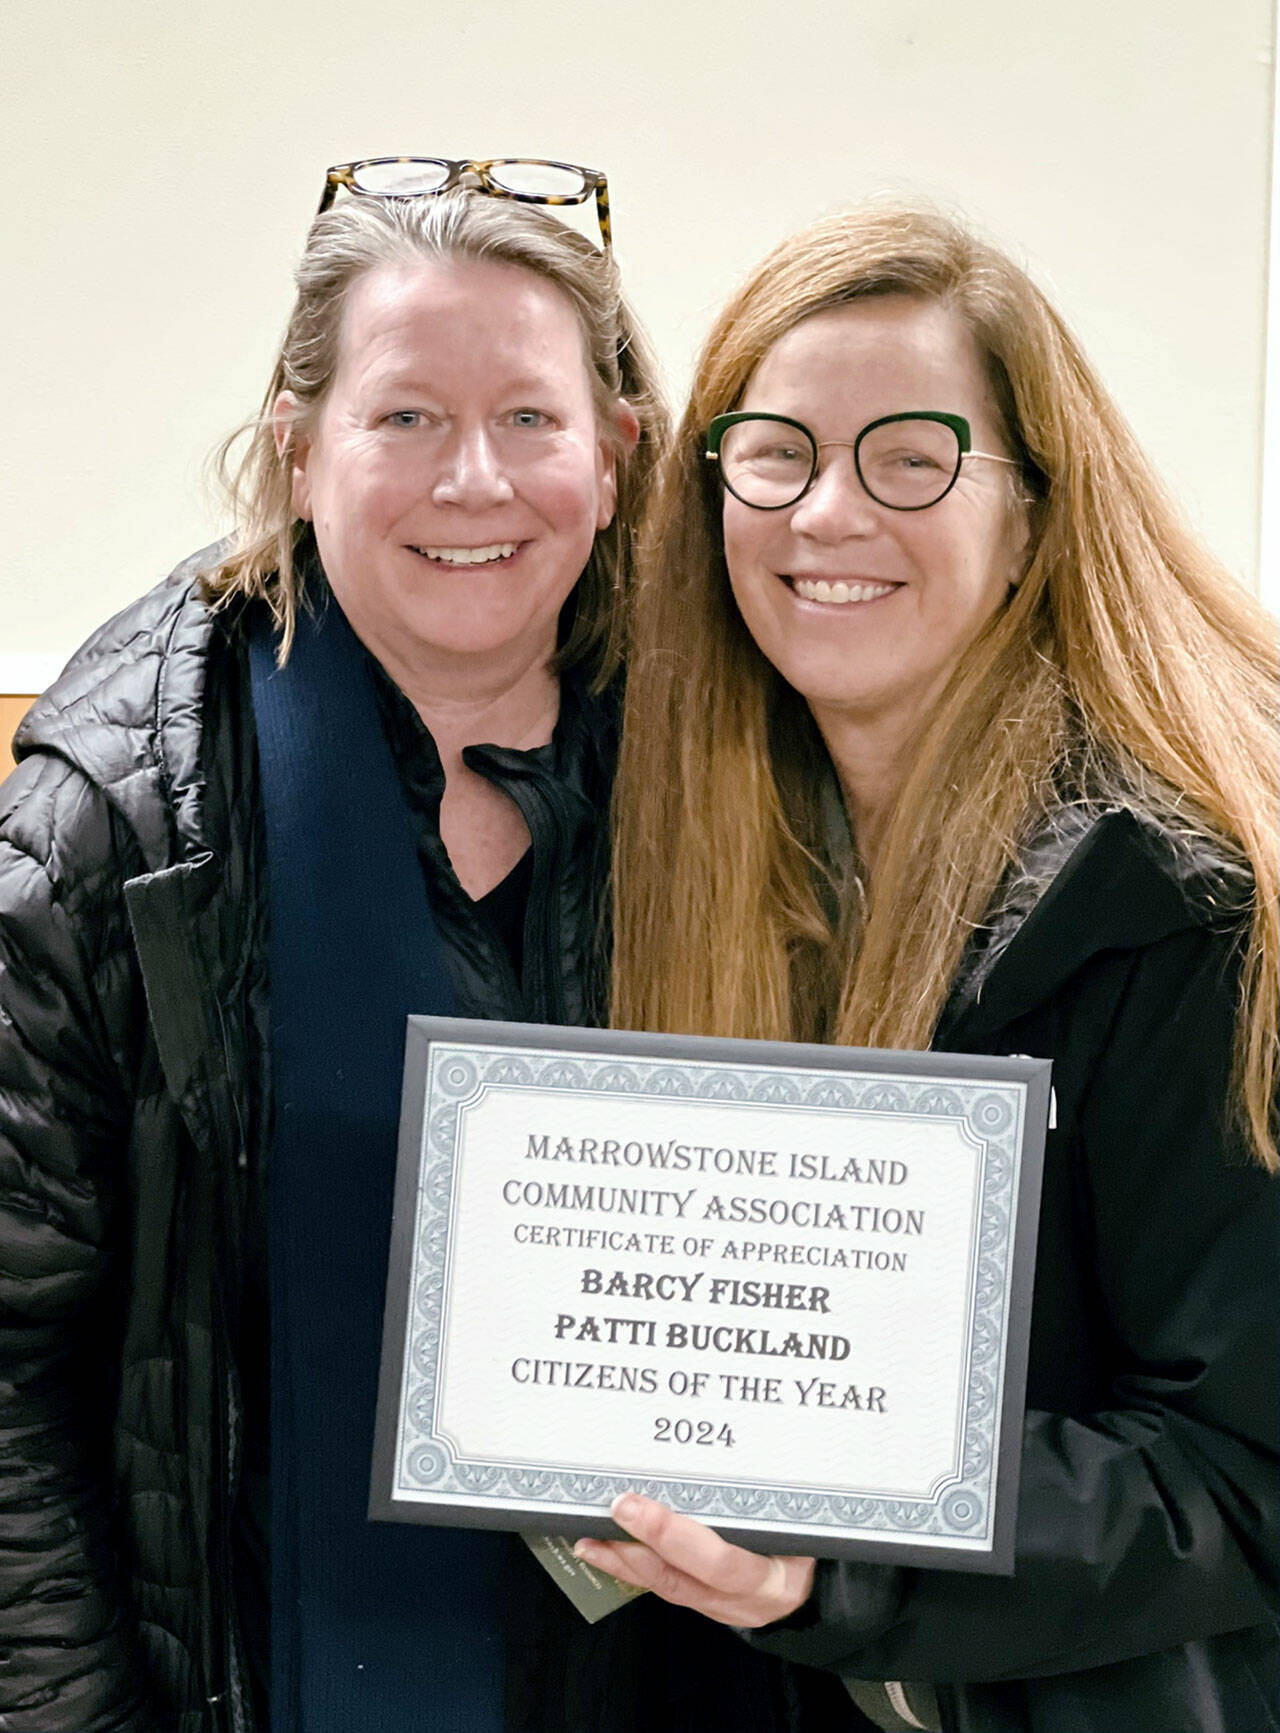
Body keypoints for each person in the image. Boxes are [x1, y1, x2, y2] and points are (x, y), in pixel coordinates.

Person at [0, 160, 690, 1733]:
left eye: (529, 417)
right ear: (300, 444)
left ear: (616, 449)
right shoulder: (115, 818)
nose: (474, 481)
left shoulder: (727, 778)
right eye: (405, 418)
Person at [583, 205, 1279, 1732]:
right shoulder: (724, 851)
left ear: (1030, 509)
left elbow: (1244, 1475)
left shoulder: (1186, 899)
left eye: (910, 457)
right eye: (775, 454)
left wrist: (841, 1541)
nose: (826, 514)